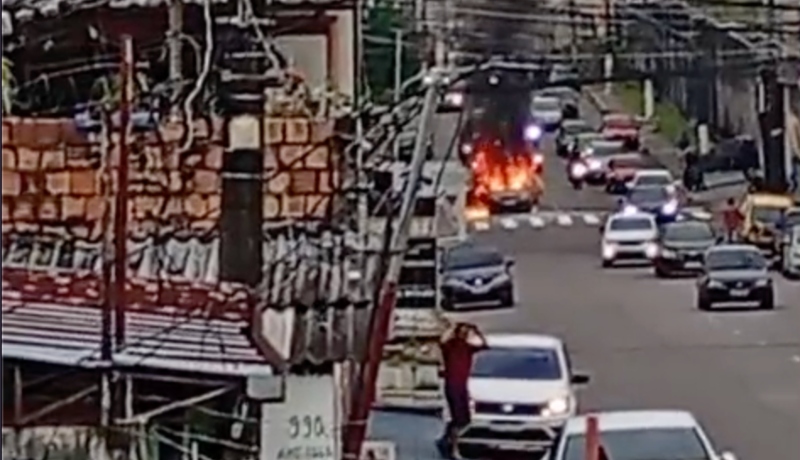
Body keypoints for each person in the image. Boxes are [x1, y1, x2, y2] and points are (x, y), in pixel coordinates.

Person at [438, 322, 487, 459]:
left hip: (462, 387)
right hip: (452, 386)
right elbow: (442, 341)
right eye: (462, 331)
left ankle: (446, 439)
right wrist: (452, 329)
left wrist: (477, 331)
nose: (464, 333)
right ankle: (452, 447)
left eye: (466, 331)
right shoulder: (450, 346)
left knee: (464, 419)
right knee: (459, 418)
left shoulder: (467, 347)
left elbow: (484, 345)